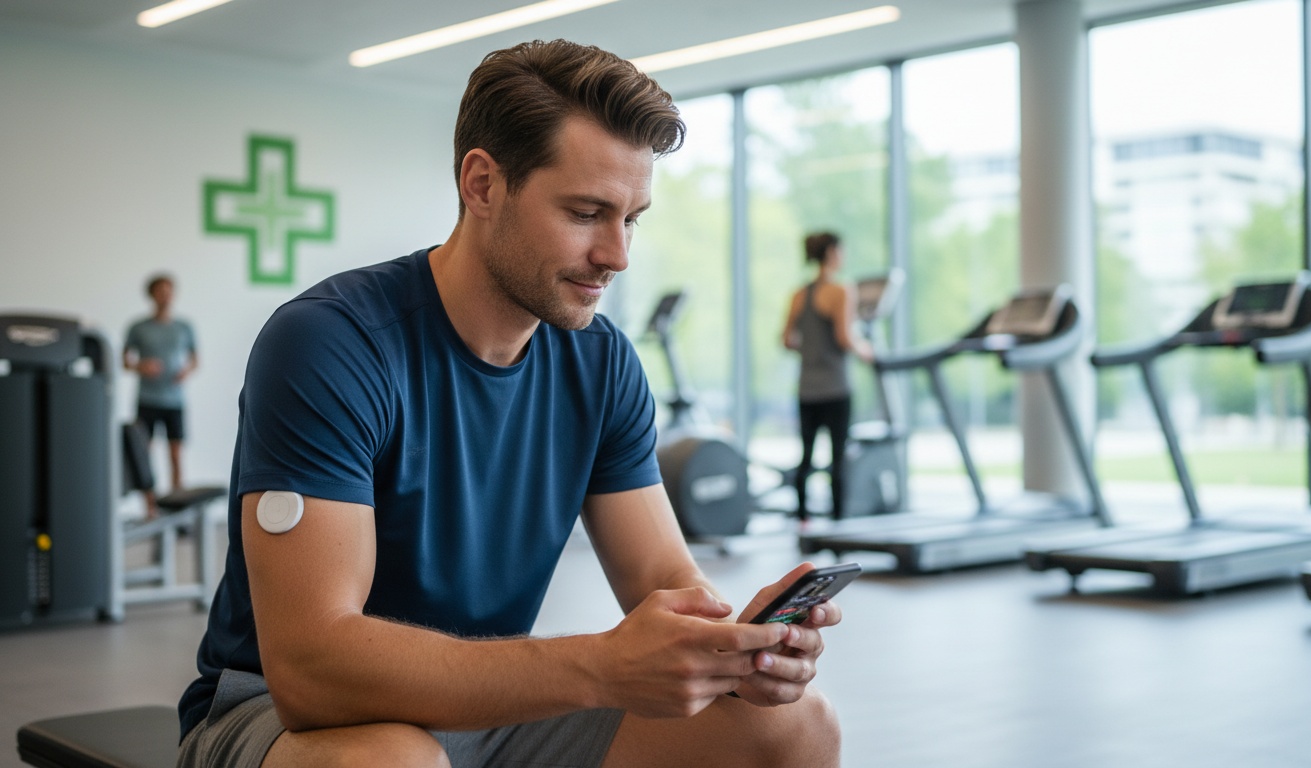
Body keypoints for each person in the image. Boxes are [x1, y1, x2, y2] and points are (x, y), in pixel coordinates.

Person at [176, 39, 842, 768]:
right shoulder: (330, 344)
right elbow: (312, 670)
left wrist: (737, 651)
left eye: (633, 219)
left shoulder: (601, 361)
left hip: (490, 707)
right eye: (587, 212)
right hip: (287, 716)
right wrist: (600, 667)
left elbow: (663, 580)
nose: (617, 255)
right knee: (390, 763)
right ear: (483, 185)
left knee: (795, 725)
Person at [782, 232, 873, 523]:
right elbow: (845, 337)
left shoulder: (799, 294)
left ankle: (803, 519)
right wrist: (866, 350)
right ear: (833, 252)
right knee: (838, 457)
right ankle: (838, 523)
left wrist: (811, 349)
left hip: (807, 388)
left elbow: (787, 339)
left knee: (806, 455)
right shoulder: (842, 291)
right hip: (835, 386)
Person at [123, 272, 198, 517]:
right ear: (152, 295)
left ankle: (178, 510)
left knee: (176, 455)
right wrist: (140, 366)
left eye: (169, 291)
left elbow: (195, 360)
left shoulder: (184, 327)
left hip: (174, 400)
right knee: (145, 454)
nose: (165, 296)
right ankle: (151, 510)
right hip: (147, 400)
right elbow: (124, 360)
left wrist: (185, 372)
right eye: (160, 291)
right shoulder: (138, 328)